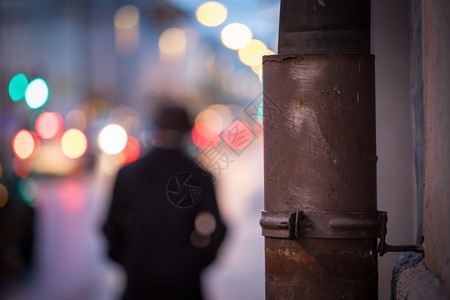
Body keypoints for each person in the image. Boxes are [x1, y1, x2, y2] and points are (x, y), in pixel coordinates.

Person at [102, 105, 227, 300]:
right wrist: (196, 262)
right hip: (185, 280)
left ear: (156, 128)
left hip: (139, 276)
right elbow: (219, 228)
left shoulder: (128, 173)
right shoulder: (199, 175)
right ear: (187, 131)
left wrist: (128, 259)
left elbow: (110, 226)